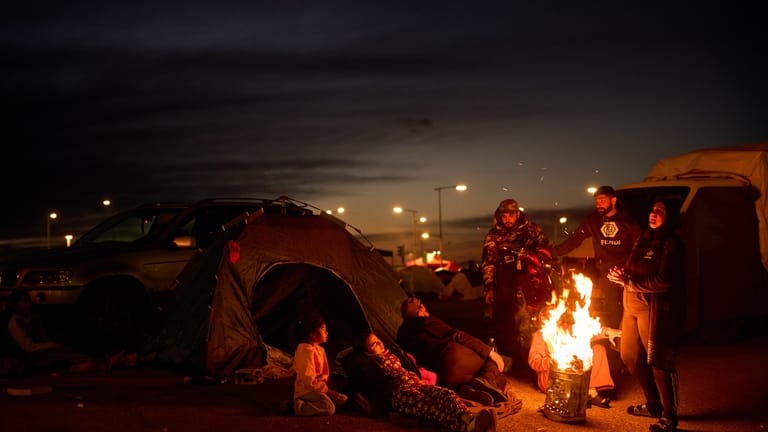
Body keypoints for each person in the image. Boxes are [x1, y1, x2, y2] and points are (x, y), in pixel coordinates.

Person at [607, 200, 686, 432]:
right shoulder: (644, 238)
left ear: (669, 216)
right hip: (631, 305)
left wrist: (628, 282)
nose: (654, 214)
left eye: (660, 211)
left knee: (659, 362)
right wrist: (621, 271)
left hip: (654, 308)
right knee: (630, 356)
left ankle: (669, 416)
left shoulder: (671, 244)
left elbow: (664, 281)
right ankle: (653, 405)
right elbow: (632, 263)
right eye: (652, 209)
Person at [352, 330, 497, 432]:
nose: (380, 344)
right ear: (367, 352)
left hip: (417, 384)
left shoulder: (391, 353)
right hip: (401, 394)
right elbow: (380, 385)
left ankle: (470, 419)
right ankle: (467, 427)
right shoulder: (373, 364)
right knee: (432, 407)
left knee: (446, 394)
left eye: (378, 340)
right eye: (374, 344)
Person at [481, 198, 552, 370]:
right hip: (506, 282)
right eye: (503, 215)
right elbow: (488, 262)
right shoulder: (494, 235)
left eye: (510, 215)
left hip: (532, 282)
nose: (507, 219)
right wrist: (489, 287)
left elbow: (548, 251)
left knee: (533, 321)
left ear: (517, 214)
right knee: (506, 321)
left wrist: (534, 259)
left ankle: (532, 358)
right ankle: (511, 361)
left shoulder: (532, 230)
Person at [397, 296, 508, 405]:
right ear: (419, 312)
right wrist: (489, 352)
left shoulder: (401, 335)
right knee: (491, 361)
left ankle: (470, 389)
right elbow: (457, 336)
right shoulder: (425, 321)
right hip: (450, 358)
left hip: (440, 377)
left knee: (487, 373)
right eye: (422, 307)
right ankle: (487, 381)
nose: (425, 308)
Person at [4, 289, 126, 373]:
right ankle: (102, 362)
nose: (29, 304)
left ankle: (99, 361)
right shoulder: (16, 322)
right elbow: (28, 347)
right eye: (24, 302)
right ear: (16, 306)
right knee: (62, 352)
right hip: (28, 358)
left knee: (66, 350)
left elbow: (43, 337)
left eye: (28, 301)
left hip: (39, 352)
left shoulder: (32, 317)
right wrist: (51, 345)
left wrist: (48, 340)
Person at [527, 304, 621, 408]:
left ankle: (591, 391)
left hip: (574, 371)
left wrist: (608, 331)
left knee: (598, 349)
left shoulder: (569, 329)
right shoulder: (540, 335)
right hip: (551, 376)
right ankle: (580, 395)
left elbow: (593, 332)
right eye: (548, 314)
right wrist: (551, 361)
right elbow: (534, 361)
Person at [292, 312, 348, 416]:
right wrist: (328, 391)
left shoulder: (320, 350)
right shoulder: (306, 351)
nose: (326, 332)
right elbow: (309, 381)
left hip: (319, 389)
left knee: (343, 399)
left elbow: (324, 375)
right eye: (323, 329)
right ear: (312, 334)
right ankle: (297, 406)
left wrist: (329, 387)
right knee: (329, 407)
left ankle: (314, 404)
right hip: (306, 390)